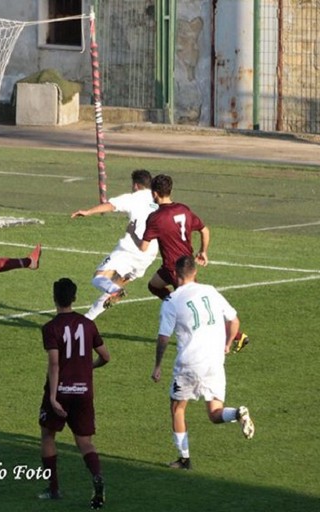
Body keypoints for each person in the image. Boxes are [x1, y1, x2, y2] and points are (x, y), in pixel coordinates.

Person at [151, 255, 255, 470]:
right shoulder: (210, 290)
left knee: (178, 408)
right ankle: (237, 413)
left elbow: (163, 337)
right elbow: (234, 320)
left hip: (189, 363)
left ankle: (184, 459)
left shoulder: (172, 301)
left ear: (175, 275)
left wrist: (158, 365)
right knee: (215, 413)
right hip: (215, 361)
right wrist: (227, 345)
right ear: (195, 272)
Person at [131, 173, 249, 352]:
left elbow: (143, 248)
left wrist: (132, 232)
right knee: (154, 286)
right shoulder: (184, 209)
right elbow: (205, 230)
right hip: (183, 263)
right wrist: (203, 251)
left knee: (197, 305)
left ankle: (238, 336)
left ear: (154, 194)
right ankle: (173, 304)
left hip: (176, 270)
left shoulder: (156, 218)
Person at [37, 277, 110, 509]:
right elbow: (106, 357)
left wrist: (52, 396)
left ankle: (54, 489)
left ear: (54, 298)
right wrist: (88, 367)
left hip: (61, 391)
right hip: (84, 391)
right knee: (85, 442)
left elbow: (55, 364)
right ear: (75, 298)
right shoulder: (88, 325)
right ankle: (96, 476)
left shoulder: (50, 328)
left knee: (48, 436)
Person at [71, 169, 159, 319]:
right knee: (115, 284)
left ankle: (115, 291)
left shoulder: (134, 197)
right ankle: (88, 318)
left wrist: (88, 212)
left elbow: (111, 205)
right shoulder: (158, 199)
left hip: (130, 249)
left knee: (99, 277)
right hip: (149, 254)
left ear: (136, 185)